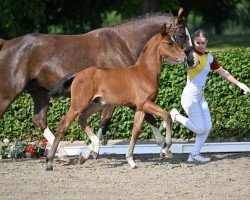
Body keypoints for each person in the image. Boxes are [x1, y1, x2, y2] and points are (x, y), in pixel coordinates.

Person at [170, 29, 250, 163]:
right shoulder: (189, 54)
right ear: (193, 41)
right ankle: (175, 116)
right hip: (189, 97)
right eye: (198, 42)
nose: (200, 45)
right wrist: (178, 56)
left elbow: (222, 72)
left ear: (207, 42)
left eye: (203, 43)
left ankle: (194, 155)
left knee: (207, 127)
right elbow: (172, 61)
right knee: (200, 128)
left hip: (200, 97)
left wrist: (239, 83)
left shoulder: (210, 57)